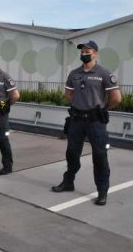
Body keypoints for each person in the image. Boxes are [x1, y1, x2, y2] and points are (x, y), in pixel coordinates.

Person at [51, 40, 121, 206]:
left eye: (87, 51)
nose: (84, 53)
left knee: (99, 156)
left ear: (95, 53)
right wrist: (79, 104)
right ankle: (68, 182)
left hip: (96, 122)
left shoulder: (104, 73)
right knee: (72, 154)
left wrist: (102, 109)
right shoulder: (74, 73)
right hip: (76, 120)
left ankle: (102, 191)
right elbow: (68, 95)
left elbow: (116, 98)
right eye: (82, 51)